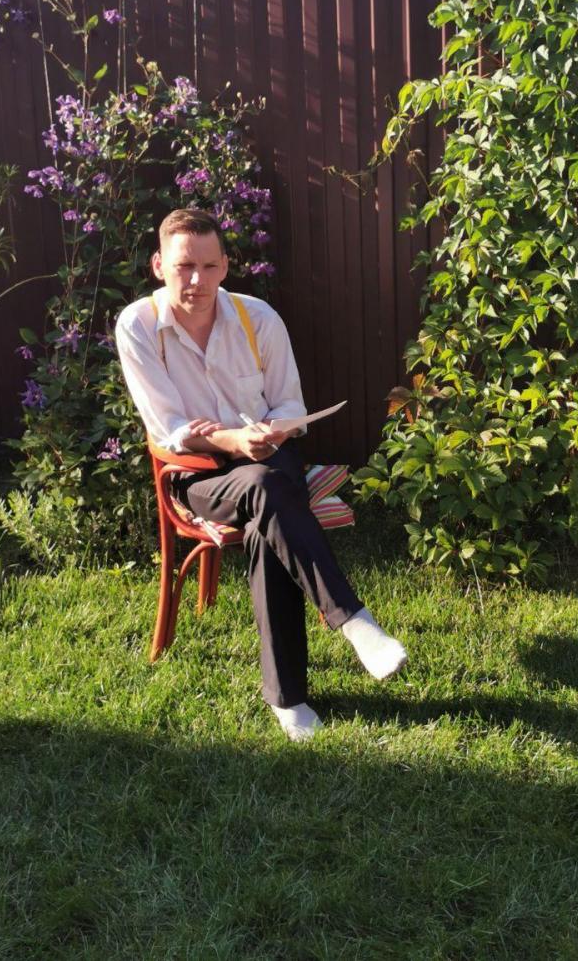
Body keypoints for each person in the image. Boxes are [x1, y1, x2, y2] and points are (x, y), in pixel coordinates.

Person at [115, 208, 407, 740]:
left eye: (209, 266)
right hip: (196, 474)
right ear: (159, 265)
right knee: (265, 490)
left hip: (268, 458)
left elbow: (289, 405)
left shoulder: (258, 318)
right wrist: (229, 440)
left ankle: (290, 698)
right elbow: (169, 429)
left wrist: (270, 431)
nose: (197, 280)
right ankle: (353, 623)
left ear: (226, 266)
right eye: (184, 267)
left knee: (264, 511)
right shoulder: (138, 326)